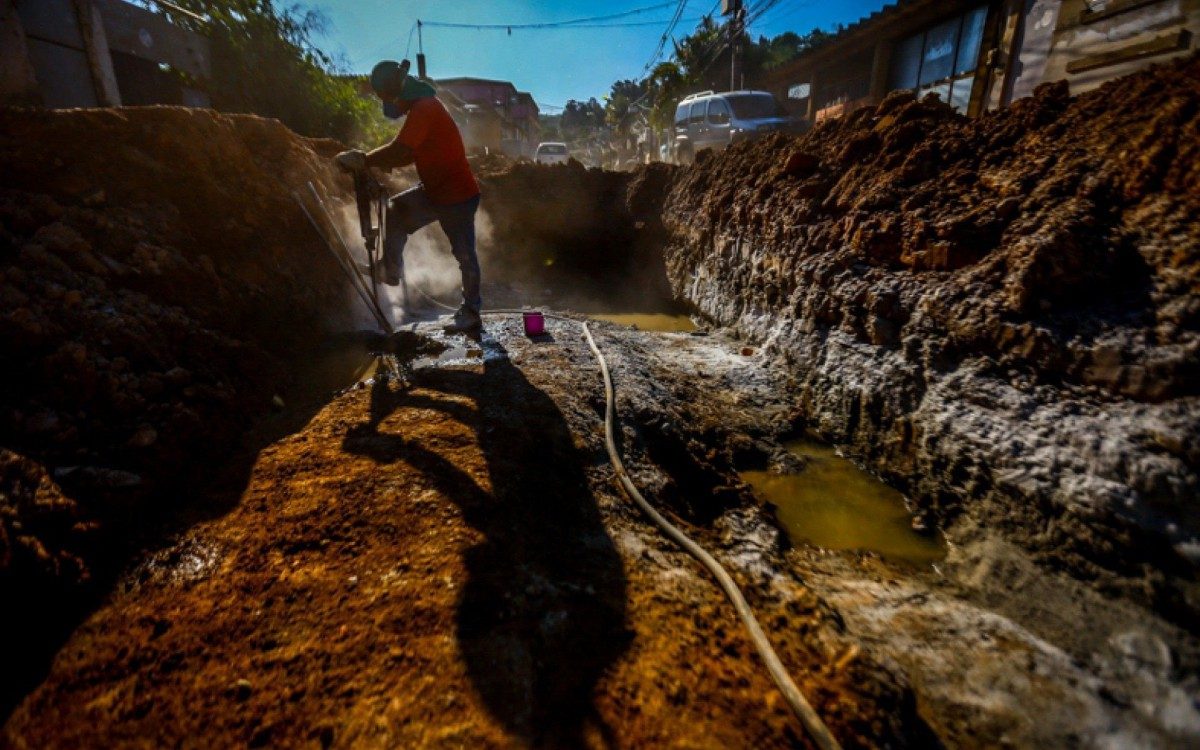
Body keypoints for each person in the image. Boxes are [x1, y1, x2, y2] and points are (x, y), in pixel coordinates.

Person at [336, 60, 483, 333]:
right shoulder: (421, 108)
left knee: (464, 255)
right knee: (396, 211)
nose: (390, 107)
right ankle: (390, 270)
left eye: (386, 98)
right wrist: (377, 161)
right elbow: (410, 153)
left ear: (397, 92)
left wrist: (365, 160)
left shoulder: (424, 109)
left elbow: (401, 149)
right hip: (435, 191)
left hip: (457, 195)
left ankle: (472, 310)